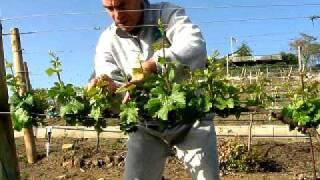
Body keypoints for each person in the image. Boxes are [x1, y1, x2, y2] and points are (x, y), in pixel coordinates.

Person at [90, 0, 220, 179]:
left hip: (191, 118)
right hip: (146, 126)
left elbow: (193, 44)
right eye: (110, 9)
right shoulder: (107, 40)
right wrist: (109, 87)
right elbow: (113, 81)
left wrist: (153, 65)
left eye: (122, 5)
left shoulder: (166, 14)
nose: (117, 16)